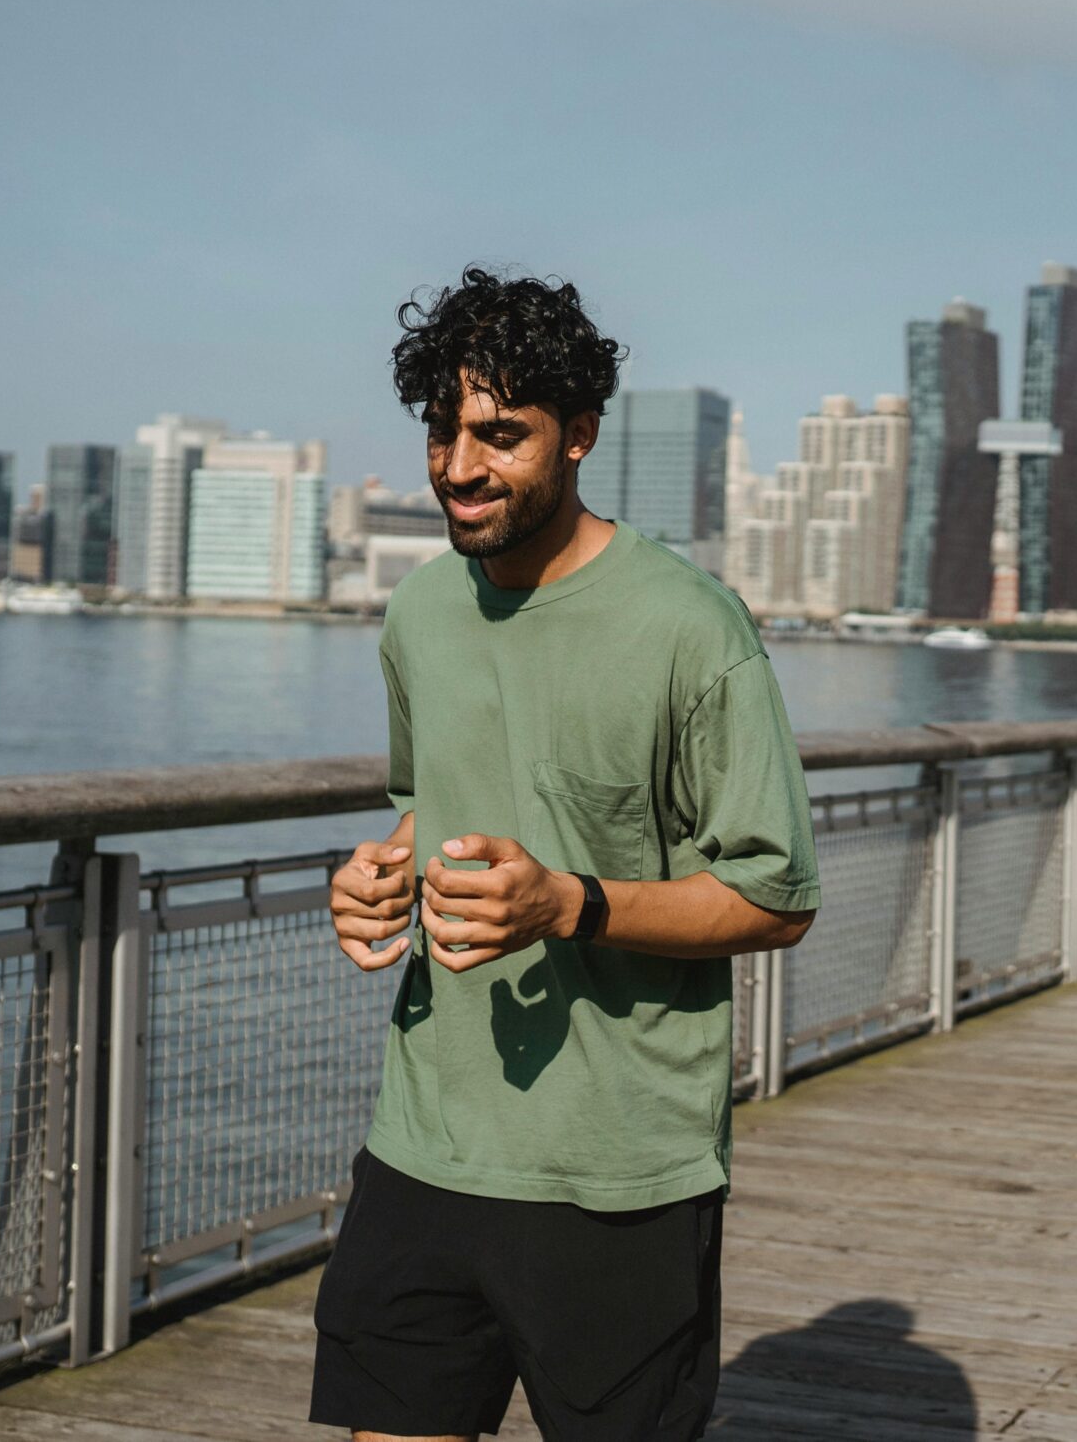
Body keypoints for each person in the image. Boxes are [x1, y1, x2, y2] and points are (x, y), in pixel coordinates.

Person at [314, 269, 820, 1442]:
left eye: (500, 435)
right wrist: (371, 873)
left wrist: (568, 906)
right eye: (442, 431)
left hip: (618, 1171)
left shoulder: (692, 628)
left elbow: (775, 895)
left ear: (580, 435)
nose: (458, 466)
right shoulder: (419, 613)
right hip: (424, 1143)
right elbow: (423, 802)